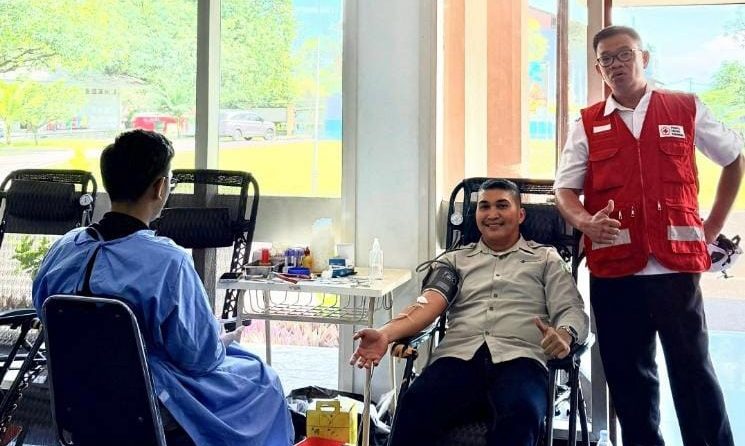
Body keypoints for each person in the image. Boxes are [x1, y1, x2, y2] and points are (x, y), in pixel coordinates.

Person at [32, 130, 294, 446]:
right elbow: (199, 358)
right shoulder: (167, 261)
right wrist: (220, 340)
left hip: (78, 399)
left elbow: (47, 315)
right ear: (160, 187)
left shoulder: (64, 249)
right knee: (264, 382)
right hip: (147, 401)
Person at [554, 25, 744, 446]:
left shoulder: (684, 107)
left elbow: (734, 160)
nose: (616, 64)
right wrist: (584, 222)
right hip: (615, 272)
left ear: (644, 57)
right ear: (599, 69)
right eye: (606, 59)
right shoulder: (587, 123)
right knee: (630, 379)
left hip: (675, 268)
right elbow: (564, 190)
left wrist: (711, 228)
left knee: (694, 373)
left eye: (625, 54)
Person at [350, 179, 589, 446]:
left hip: (522, 360)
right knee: (414, 406)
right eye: (484, 206)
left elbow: (571, 308)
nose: (492, 214)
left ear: (521, 214)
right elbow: (429, 303)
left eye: (502, 205)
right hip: (458, 359)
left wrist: (565, 335)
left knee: (521, 416)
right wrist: (386, 334)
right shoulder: (454, 260)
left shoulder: (546, 259)